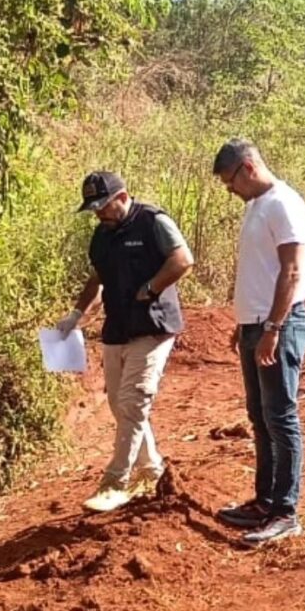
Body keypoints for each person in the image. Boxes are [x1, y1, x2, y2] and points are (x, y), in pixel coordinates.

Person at [54, 171, 194, 513]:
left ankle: (115, 482)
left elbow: (182, 260)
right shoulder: (101, 237)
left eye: (103, 206)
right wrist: (75, 315)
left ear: (122, 196)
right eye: (93, 209)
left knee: (133, 402)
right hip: (117, 329)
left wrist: (152, 287)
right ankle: (151, 470)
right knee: (119, 404)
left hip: (152, 327)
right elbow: (96, 280)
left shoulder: (153, 221)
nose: (99, 214)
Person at [212, 140, 305, 545]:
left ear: (248, 168)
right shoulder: (257, 206)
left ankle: (285, 512)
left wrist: (272, 327)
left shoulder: (284, 204)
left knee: (280, 416)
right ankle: (264, 500)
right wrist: (245, 323)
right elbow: (259, 270)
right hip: (256, 324)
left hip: (279, 325)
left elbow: (291, 273)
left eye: (230, 180)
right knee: (259, 415)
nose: (229, 190)